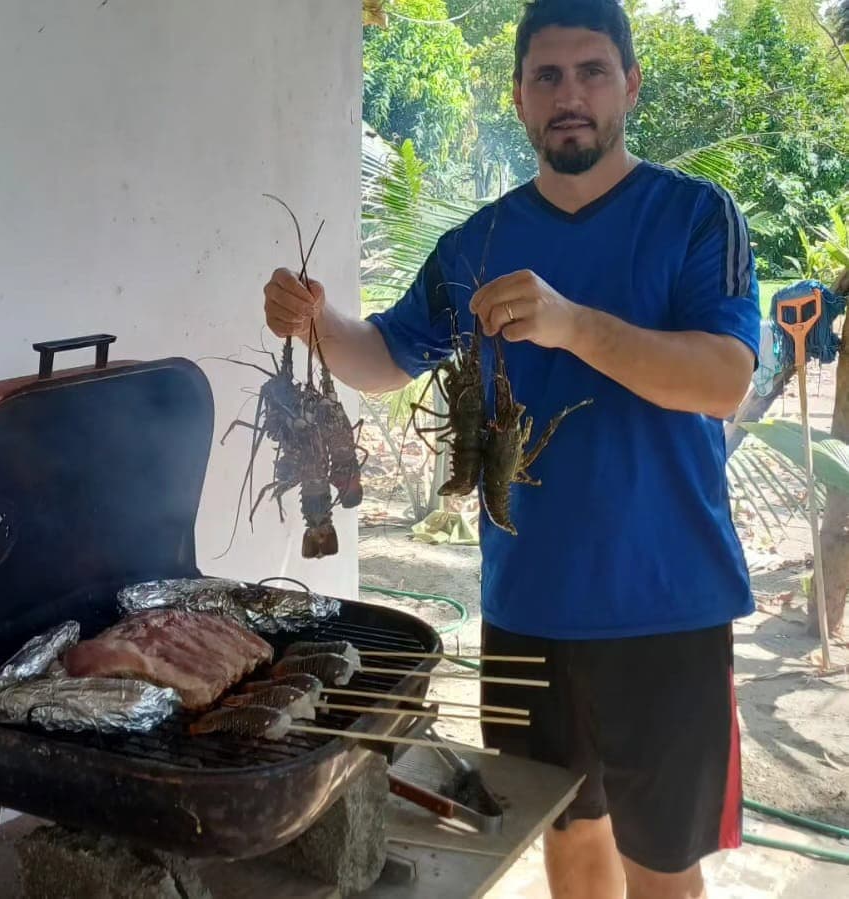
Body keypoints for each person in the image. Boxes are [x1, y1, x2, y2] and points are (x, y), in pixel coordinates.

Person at [263, 1, 760, 896]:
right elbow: (385, 355)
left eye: (591, 72)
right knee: (562, 836)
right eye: (547, 77)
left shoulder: (695, 215)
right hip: (527, 609)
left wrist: (571, 325)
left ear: (629, 84)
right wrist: (318, 322)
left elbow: (723, 379)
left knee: (662, 862)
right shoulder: (476, 242)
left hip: (666, 608)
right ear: (522, 98)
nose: (568, 95)